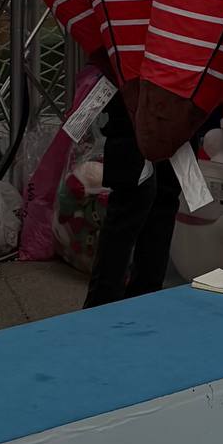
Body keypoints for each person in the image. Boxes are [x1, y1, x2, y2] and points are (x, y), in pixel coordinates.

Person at [82, 89, 181, 308]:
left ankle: (143, 301)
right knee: (135, 195)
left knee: (163, 195)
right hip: (137, 93)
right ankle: (103, 306)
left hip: (178, 93)